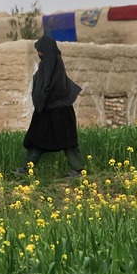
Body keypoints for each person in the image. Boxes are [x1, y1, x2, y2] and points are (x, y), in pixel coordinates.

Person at [20, 34, 86, 177]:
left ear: (46, 51)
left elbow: (48, 86)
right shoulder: (51, 64)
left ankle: (79, 169)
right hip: (49, 110)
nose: (39, 54)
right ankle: (25, 168)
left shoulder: (52, 65)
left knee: (67, 142)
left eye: (40, 51)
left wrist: (41, 102)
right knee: (38, 140)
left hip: (58, 111)